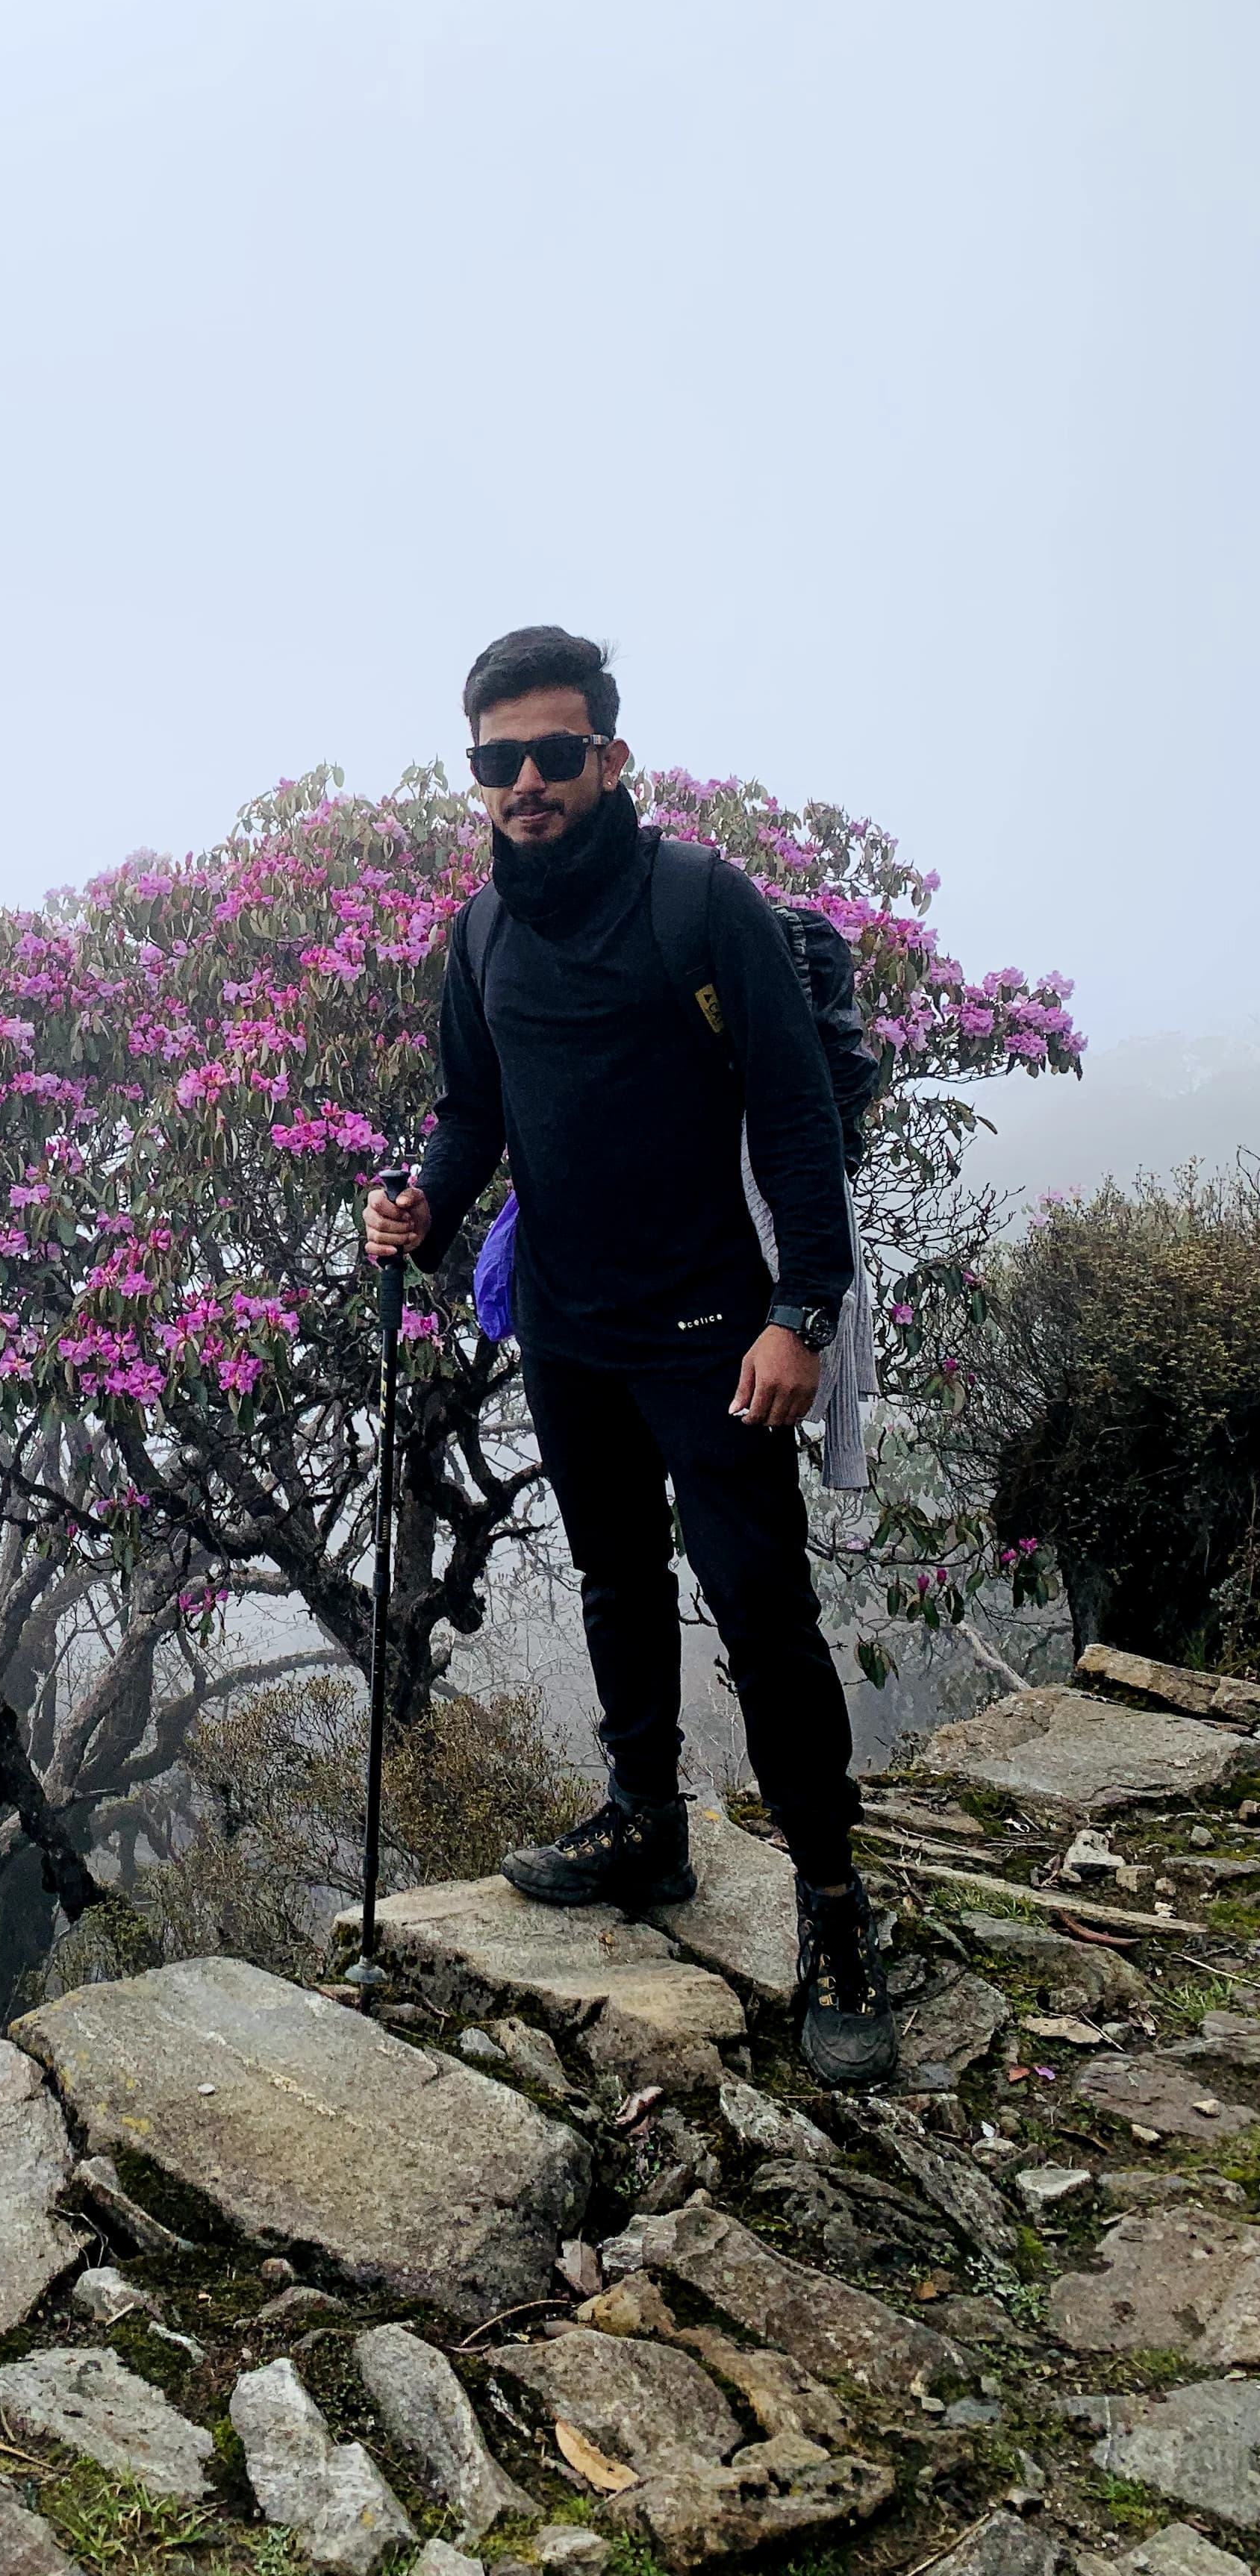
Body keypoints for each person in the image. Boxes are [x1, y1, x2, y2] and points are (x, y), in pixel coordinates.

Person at [362, 624, 896, 2089]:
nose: (525, 783)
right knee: (613, 1578)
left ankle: (834, 1908)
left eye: (552, 753)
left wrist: (804, 1313)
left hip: (717, 1332)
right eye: (497, 761)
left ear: (608, 756)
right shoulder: (479, 935)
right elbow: (474, 1112)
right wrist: (420, 1195)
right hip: (573, 1326)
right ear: (474, 776)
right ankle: (643, 1820)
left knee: (761, 1607)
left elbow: (793, 1118)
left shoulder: (697, 901)